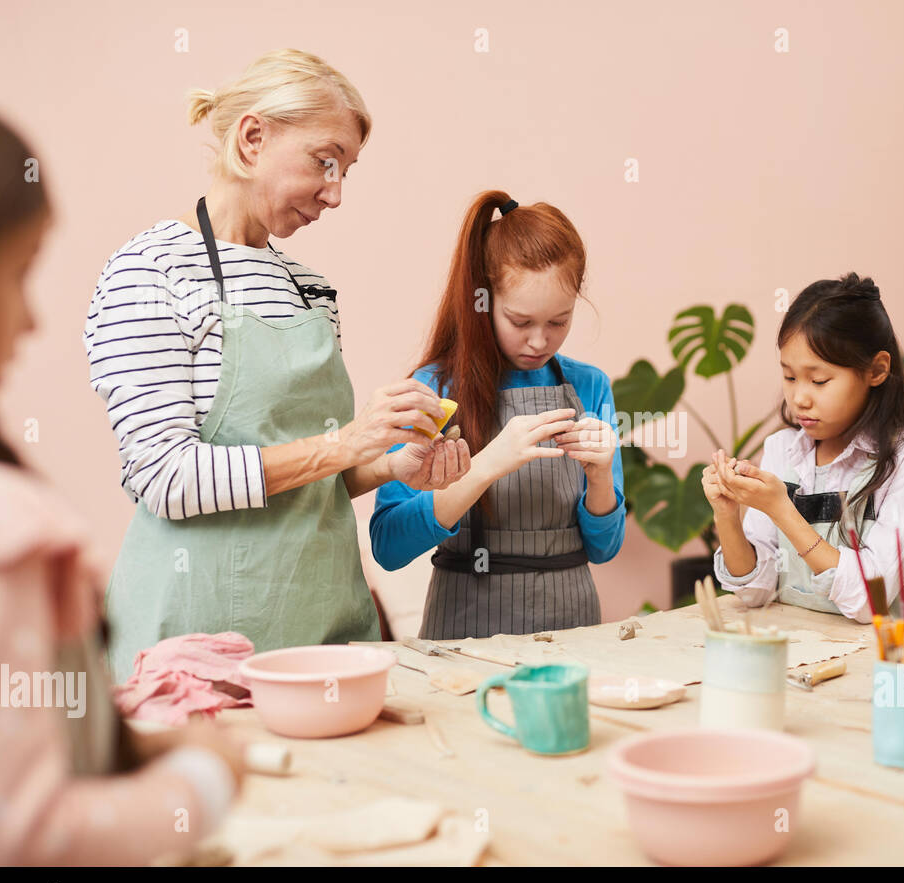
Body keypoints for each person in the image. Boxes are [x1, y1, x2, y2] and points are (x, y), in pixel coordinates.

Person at [82, 50, 470, 679]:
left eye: (346, 171)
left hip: (326, 630)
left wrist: (393, 461)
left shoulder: (309, 288)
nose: (336, 193)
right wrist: (344, 441)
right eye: (325, 161)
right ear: (253, 138)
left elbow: (314, 479)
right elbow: (168, 480)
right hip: (196, 645)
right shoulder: (150, 272)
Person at [0, 107, 246, 865]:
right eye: (19, 271)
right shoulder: (2, 527)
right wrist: (205, 779)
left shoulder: (309, 288)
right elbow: (22, 837)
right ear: (251, 140)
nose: (33, 321)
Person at [370, 191, 626, 639]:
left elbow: (603, 550)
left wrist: (602, 479)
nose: (539, 341)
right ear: (483, 302)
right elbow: (388, 546)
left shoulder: (589, 386)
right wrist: (487, 465)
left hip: (575, 633)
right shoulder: (434, 388)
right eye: (520, 321)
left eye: (559, 321)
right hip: (464, 632)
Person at [705, 273, 904, 620]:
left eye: (819, 380)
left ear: (877, 370)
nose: (799, 398)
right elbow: (756, 590)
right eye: (789, 377)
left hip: (888, 660)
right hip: (804, 655)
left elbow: (871, 599)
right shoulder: (782, 450)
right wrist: (727, 516)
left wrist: (782, 510)